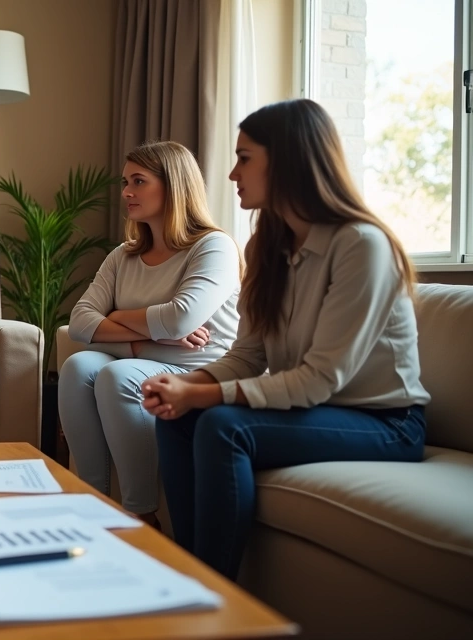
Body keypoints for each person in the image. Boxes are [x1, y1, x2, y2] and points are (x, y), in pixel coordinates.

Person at [141, 99, 430, 580]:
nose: (232, 173)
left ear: (289, 160)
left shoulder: (361, 244)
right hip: (320, 410)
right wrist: (186, 385)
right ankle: (184, 575)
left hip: (387, 422)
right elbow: (249, 355)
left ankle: (215, 591)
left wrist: (203, 393)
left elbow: (319, 380)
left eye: (245, 158)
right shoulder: (265, 245)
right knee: (178, 419)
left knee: (223, 424)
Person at [59, 141, 241, 529]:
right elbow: (79, 321)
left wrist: (120, 316)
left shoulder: (213, 246)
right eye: (126, 182)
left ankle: (140, 512)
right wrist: (146, 339)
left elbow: (180, 319)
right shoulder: (123, 255)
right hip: (142, 358)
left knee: (115, 375)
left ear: (174, 186)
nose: (126, 192)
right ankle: (89, 501)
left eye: (138, 181)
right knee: (77, 366)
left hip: (201, 369)